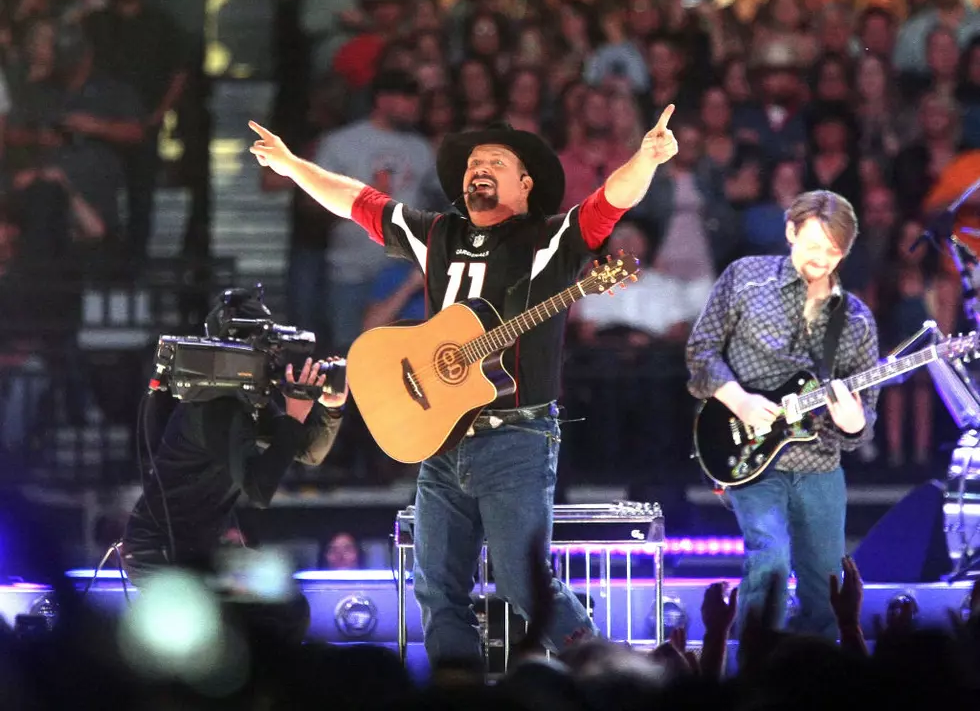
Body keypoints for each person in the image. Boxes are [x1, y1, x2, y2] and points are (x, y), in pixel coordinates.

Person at [248, 105, 679, 664]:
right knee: (436, 591)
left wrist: (644, 158)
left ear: (525, 184)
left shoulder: (547, 241)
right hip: (440, 436)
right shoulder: (437, 233)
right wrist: (290, 166)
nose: (479, 167)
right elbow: (354, 199)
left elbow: (611, 200)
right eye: (474, 161)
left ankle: (606, 677)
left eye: (495, 161)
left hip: (516, 439)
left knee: (527, 587)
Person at [685, 190, 880, 642]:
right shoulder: (745, 278)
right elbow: (702, 350)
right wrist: (740, 401)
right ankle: (756, 662)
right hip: (748, 450)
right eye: (813, 246)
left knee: (824, 582)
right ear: (791, 232)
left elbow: (863, 419)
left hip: (820, 465)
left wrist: (853, 422)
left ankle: (814, 679)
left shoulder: (856, 320)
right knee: (769, 555)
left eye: (834, 252)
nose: (822, 260)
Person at [120, 287, 348, 643]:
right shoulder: (216, 406)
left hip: (199, 548)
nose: (272, 356)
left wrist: (330, 409)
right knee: (232, 631)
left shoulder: (241, 400)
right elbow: (258, 489)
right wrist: (294, 416)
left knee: (288, 609)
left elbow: (308, 452)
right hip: (159, 551)